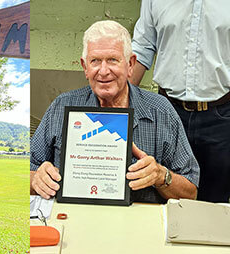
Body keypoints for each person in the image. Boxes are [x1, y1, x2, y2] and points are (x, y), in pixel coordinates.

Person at [30, 20, 199, 203]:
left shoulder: (161, 111)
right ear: (85, 67)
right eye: (95, 61)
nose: (103, 71)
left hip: (140, 222)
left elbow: (191, 192)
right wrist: (36, 179)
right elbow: (25, 171)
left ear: (130, 65)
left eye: (112, 60)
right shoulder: (61, 107)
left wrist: (161, 176)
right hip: (74, 218)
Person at [130, 0, 230, 203]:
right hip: (167, 113)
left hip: (221, 117)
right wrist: (111, 105)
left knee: (214, 205)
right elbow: (142, 48)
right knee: (163, 194)